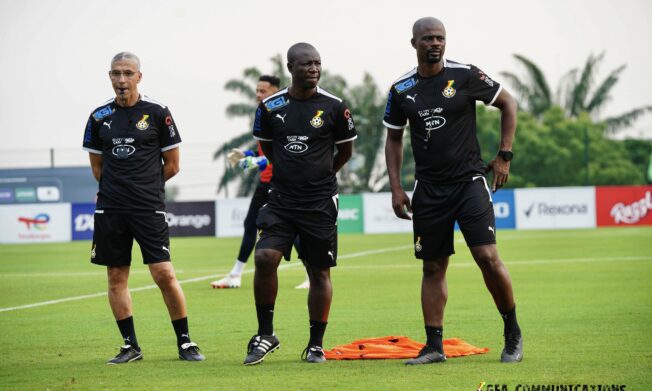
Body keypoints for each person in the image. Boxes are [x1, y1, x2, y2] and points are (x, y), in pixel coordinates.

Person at [383, 17, 523, 365]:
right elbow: (394, 138)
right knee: (432, 267)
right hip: (428, 190)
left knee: (488, 259)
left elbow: (508, 103)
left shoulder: (465, 75)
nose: (435, 43)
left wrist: (504, 154)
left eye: (440, 38)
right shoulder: (401, 89)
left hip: (469, 184)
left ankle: (512, 334)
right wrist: (397, 188)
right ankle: (434, 346)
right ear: (413, 43)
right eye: (428, 38)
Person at [82, 52, 205, 364]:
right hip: (110, 209)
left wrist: (144, 186)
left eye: (128, 73)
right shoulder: (99, 117)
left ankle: (186, 343)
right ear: (109, 77)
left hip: (148, 207)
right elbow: (98, 169)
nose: (122, 80)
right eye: (116, 74)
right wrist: (118, 189)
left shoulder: (157, 112)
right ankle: (130, 346)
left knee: (163, 273)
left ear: (139, 76)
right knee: (115, 276)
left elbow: (173, 165)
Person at [243, 42, 357, 365]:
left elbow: (346, 151)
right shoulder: (270, 107)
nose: (314, 69)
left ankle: (316, 344)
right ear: (291, 67)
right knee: (265, 257)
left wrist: (321, 175)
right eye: (306, 64)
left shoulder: (334, 106)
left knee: (319, 272)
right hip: (281, 199)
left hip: (320, 202)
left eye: (318, 63)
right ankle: (266, 334)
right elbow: (266, 146)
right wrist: (290, 174)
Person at [211, 75, 309, 290]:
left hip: (280, 183)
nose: (258, 94)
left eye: (263, 91)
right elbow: (264, 150)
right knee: (250, 225)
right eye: (257, 90)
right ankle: (235, 275)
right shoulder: (262, 113)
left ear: (274, 92)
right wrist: (246, 153)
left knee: (290, 231)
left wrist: (257, 161)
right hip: (265, 183)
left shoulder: (283, 114)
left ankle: (313, 275)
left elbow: (284, 151)